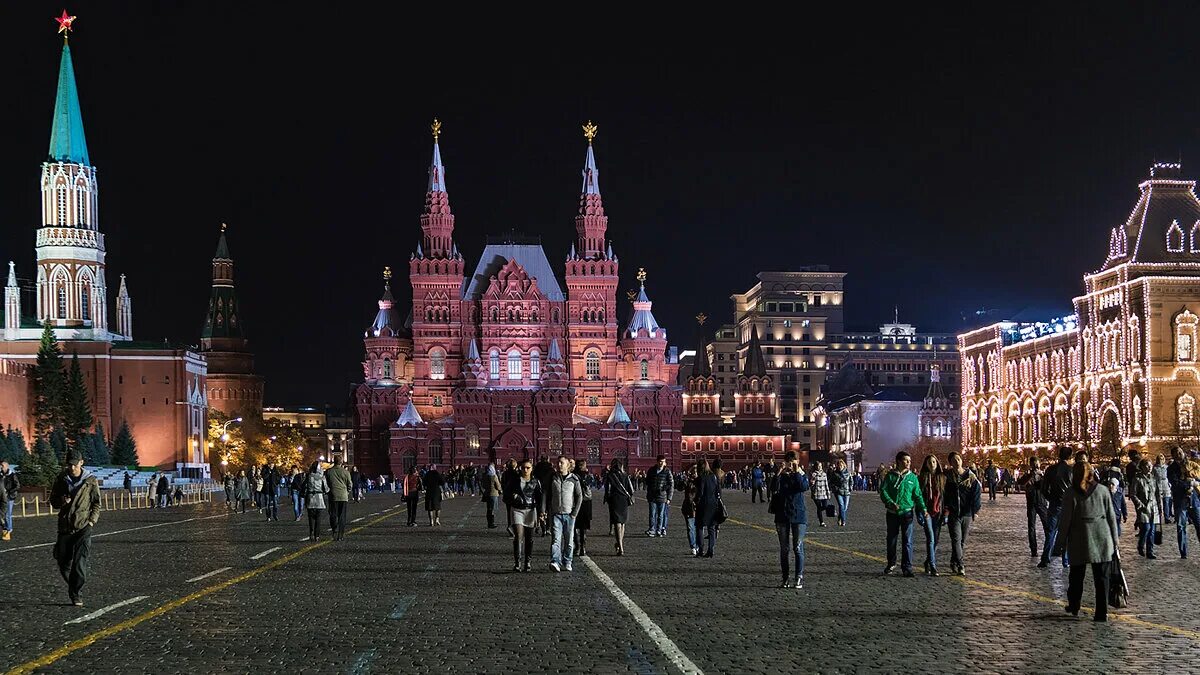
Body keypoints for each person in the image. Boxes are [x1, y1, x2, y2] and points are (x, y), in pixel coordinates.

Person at [1055, 459, 1119, 622]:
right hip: (1102, 537)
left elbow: (1065, 521)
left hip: (1079, 537)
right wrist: (1115, 540)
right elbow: (1111, 517)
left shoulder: (1071, 493)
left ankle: (1074, 604)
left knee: (1076, 575)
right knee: (1102, 578)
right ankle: (1101, 612)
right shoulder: (1103, 490)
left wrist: (1059, 544)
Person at [49, 456, 100, 606]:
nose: (72, 468)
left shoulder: (90, 481)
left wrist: (91, 521)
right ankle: (74, 588)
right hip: (64, 527)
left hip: (83, 527)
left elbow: (96, 503)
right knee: (63, 562)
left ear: (81, 463)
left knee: (79, 564)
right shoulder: (61, 479)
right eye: (69, 465)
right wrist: (62, 501)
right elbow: (53, 501)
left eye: (74, 464)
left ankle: (75, 593)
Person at [879, 451, 926, 577]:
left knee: (907, 541)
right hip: (892, 513)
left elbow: (917, 495)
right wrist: (890, 502)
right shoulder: (890, 476)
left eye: (909, 461)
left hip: (907, 512)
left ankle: (907, 567)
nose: (908, 463)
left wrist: (923, 509)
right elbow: (883, 491)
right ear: (899, 461)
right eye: (906, 460)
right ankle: (891, 563)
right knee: (892, 539)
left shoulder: (913, 478)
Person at [773, 450, 811, 589]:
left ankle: (799, 577)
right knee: (784, 549)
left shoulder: (801, 475)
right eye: (789, 461)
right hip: (782, 515)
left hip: (799, 515)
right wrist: (779, 472)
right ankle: (785, 578)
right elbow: (773, 488)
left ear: (798, 461)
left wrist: (796, 472)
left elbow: (802, 487)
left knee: (797, 547)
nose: (791, 463)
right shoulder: (782, 476)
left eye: (793, 461)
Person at [942, 451, 981, 576]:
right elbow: (945, 495)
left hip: (967, 513)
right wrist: (946, 509)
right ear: (951, 463)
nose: (957, 462)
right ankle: (960, 564)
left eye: (958, 459)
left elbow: (976, 494)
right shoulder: (947, 477)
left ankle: (953, 561)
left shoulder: (970, 476)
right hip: (953, 513)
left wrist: (975, 510)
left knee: (962, 541)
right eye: (953, 460)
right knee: (956, 539)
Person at [545, 456, 583, 572]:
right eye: (558, 463)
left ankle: (567, 561)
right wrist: (545, 510)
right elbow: (546, 494)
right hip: (556, 514)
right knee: (556, 540)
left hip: (569, 514)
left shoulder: (574, 479)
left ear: (568, 465)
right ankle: (555, 561)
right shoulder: (553, 477)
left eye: (562, 463)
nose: (559, 465)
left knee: (569, 540)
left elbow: (579, 496)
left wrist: (574, 513)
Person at [504, 459, 542, 572]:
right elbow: (506, 495)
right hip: (517, 510)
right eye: (523, 467)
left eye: (528, 468)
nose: (525, 470)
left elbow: (540, 499)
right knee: (518, 536)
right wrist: (513, 498)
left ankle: (528, 562)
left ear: (532, 469)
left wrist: (541, 513)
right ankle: (517, 563)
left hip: (530, 511)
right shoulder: (514, 480)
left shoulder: (535, 482)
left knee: (529, 538)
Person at [1038, 446, 1074, 568]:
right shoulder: (1071, 470)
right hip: (1068, 506)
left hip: (1054, 504)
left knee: (1050, 532)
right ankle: (1066, 560)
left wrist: (1050, 498)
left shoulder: (1050, 470)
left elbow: (1044, 489)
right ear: (1070, 456)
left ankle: (1045, 558)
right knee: (1067, 533)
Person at [1168, 447, 1200, 558]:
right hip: (1180, 501)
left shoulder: (1191, 464)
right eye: (1176, 453)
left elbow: (1198, 478)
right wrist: (1188, 485)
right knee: (1181, 526)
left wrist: (1194, 482)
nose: (1179, 454)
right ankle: (1183, 552)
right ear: (1173, 455)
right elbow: (1175, 483)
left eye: (1180, 452)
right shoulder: (1171, 468)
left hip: (1194, 500)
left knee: (1198, 524)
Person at [917, 455, 945, 576]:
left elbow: (945, 497)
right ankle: (933, 566)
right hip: (926, 512)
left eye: (934, 462)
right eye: (929, 462)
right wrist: (919, 512)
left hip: (938, 512)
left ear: (937, 463)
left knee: (936, 540)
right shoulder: (922, 478)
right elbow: (918, 496)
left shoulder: (942, 478)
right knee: (931, 539)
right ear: (926, 465)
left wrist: (946, 513)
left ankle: (928, 561)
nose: (932, 464)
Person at [1017, 456, 1048, 558]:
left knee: (1047, 526)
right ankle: (1033, 549)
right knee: (1031, 527)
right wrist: (1030, 476)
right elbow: (1020, 482)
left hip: (1042, 502)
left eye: (1036, 464)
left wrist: (1041, 477)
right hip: (1031, 502)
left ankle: (1048, 548)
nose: (1035, 466)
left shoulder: (1043, 474)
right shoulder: (1028, 475)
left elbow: (1047, 486)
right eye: (1033, 464)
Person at [1130, 458, 1160, 559]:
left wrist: (1159, 506)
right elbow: (1133, 494)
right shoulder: (1137, 479)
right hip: (1143, 507)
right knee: (1146, 528)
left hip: (1153, 506)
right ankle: (1141, 545)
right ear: (1142, 467)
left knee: (1152, 530)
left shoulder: (1153, 478)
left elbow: (1157, 493)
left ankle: (1150, 551)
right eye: (1147, 465)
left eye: (1150, 465)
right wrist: (1140, 505)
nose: (1149, 467)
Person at [604, 459, 635, 555]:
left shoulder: (610, 476)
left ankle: (620, 546)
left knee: (617, 522)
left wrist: (607, 499)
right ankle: (620, 544)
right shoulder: (625, 476)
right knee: (622, 523)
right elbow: (631, 489)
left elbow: (608, 489)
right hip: (624, 501)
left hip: (614, 500)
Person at [694, 458, 721, 558]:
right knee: (711, 528)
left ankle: (700, 550)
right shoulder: (714, 476)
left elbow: (700, 493)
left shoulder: (701, 478)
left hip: (703, 505)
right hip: (713, 504)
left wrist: (695, 501)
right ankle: (711, 550)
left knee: (700, 527)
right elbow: (718, 491)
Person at [325, 456, 353, 541]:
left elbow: (326, 483)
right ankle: (341, 534)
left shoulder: (328, 472)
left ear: (334, 461)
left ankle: (334, 529)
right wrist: (347, 492)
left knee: (333, 514)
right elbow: (350, 484)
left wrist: (328, 491)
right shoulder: (346, 472)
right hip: (343, 496)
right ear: (341, 462)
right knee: (342, 516)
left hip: (333, 495)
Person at [645, 455, 674, 537]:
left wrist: (669, 498)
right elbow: (647, 481)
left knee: (661, 515)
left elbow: (671, 484)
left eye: (663, 461)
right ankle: (652, 529)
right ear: (657, 462)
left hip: (662, 496)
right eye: (660, 461)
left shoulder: (667, 471)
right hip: (652, 496)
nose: (662, 463)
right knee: (652, 514)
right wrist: (649, 492)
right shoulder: (651, 470)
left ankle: (659, 529)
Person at [573, 459, 593, 557]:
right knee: (583, 528)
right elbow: (591, 485)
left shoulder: (572, 475)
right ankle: (583, 548)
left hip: (575, 502)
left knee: (574, 526)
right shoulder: (587, 475)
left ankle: (577, 547)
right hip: (586, 502)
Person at [680, 465, 699, 556]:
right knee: (690, 528)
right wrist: (684, 479)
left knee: (699, 528)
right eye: (693, 472)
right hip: (688, 508)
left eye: (696, 472)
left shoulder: (701, 481)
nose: (694, 474)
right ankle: (693, 546)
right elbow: (679, 487)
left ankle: (698, 545)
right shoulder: (688, 482)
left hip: (698, 507)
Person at [829, 458, 851, 527]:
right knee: (841, 505)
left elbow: (851, 481)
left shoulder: (847, 473)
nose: (840, 467)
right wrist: (835, 488)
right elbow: (831, 482)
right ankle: (843, 521)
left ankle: (840, 518)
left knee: (845, 507)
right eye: (839, 465)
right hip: (838, 492)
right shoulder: (835, 473)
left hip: (847, 491)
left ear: (844, 465)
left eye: (841, 465)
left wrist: (850, 487)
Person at [1, 460, 18, 540]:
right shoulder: (1, 475)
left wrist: (8, 491)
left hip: (9, 497)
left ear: (7, 466)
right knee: (2, 514)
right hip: (2, 497)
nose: (1, 467)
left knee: (7, 514)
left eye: (2, 466)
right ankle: (5, 529)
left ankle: (8, 530)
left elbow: (17, 486)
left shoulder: (12, 475)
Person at [810, 461, 830, 528]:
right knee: (819, 507)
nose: (819, 467)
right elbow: (811, 484)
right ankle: (821, 521)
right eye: (818, 466)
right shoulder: (814, 474)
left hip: (823, 493)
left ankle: (819, 513)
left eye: (820, 466)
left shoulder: (824, 474)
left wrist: (828, 493)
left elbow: (826, 484)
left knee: (825, 506)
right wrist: (812, 485)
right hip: (816, 493)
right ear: (815, 467)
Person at [1154, 454, 1173, 524]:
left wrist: (1170, 484)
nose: (1160, 461)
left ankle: (1167, 517)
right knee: (1158, 502)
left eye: (1162, 459)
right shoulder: (1154, 468)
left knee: (1166, 502)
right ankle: (1158, 517)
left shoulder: (1166, 467)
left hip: (1166, 485)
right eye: (1159, 459)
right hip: (1158, 484)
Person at [483, 464, 502, 529]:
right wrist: (500, 490)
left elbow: (483, 485)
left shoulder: (485, 476)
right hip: (494, 494)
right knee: (493, 509)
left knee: (488, 509)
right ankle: (492, 523)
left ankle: (489, 523)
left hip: (487, 494)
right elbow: (498, 485)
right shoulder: (494, 476)